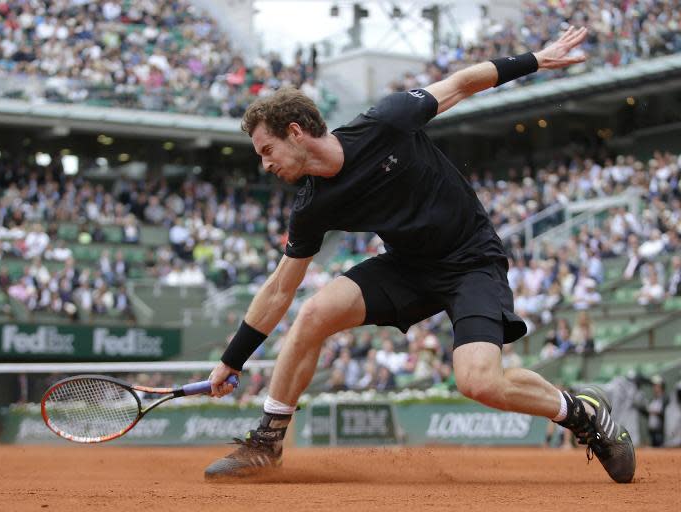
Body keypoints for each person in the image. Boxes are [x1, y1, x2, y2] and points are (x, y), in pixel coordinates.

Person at [205, 27, 635, 484]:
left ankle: (582, 413)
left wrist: (536, 59)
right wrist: (232, 360)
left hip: (471, 260)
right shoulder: (312, 206)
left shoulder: (386, 122)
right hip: (408, 267)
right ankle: (267, 441)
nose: (265, 164)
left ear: (296, 132)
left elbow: (461, 83)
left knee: (478, 382)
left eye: (268, 150)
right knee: (313, 313)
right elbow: (278, 291)